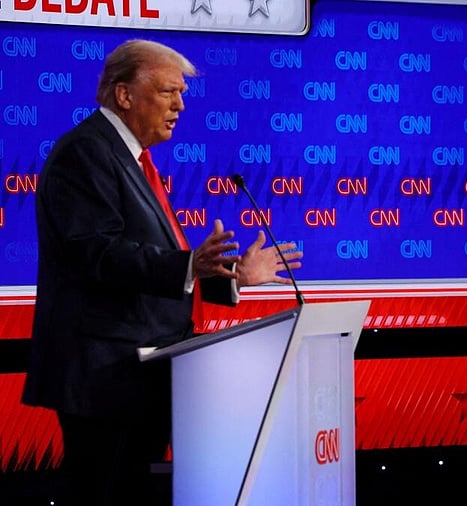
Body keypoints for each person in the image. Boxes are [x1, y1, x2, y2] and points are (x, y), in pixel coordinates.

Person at [21, 39, 303, 506]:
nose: (181, 105)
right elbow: (98, 255)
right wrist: (190, 263)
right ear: (124, 94)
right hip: (103, 380)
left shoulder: (127, 159)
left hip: (140, 377)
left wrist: (230, 276)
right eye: (169, 92)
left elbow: (150, 265)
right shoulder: (85, 154)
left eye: (182, 93)